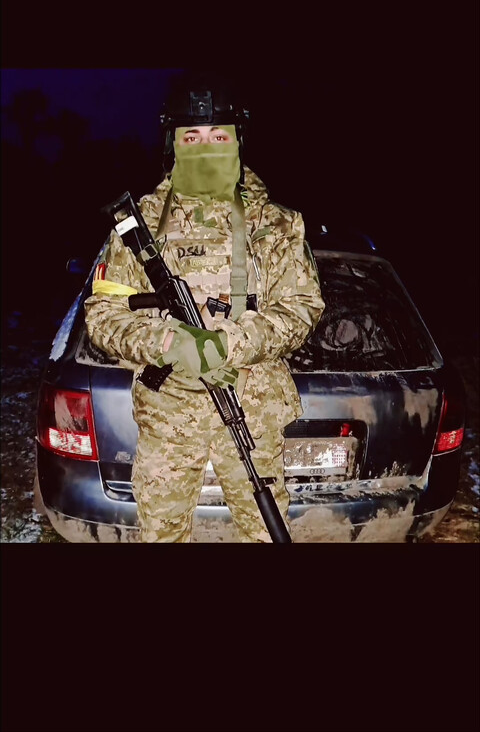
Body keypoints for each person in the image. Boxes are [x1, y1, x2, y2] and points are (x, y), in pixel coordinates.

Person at [84, 72, 325, 542]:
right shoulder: (138, 225)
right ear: (172, 143)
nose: (206, 147)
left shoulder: (277, 224)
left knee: (264, 533)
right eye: (191, 137)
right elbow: (102, 313)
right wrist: (167, 341)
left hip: (250, 409)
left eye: (218, 136)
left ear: (239, 139)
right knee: (162, 536)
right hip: (168, 416)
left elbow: (301, 308)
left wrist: (227, 344)